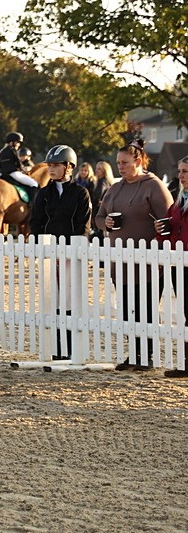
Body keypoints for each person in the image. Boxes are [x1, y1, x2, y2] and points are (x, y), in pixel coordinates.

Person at [95, 139, 173, 371]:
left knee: (146, 309)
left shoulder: (154, 185)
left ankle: (147, 356)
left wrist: (161, 232)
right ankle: (134, 354)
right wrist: (106, 223)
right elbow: (98, 218)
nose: (120, 167)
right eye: (118, 163)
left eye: (125, 163)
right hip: (121, 263)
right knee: (128, 310)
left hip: (148, 262)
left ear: (138, 161)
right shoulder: (115, 188)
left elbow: (168, 219)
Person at [29, 145, 93, 360]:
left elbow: (82, 225)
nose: (51, 169)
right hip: (48, 255)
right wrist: (42, 248)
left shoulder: (80, 193)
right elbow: (36, 222)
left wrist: (69, 251)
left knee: (68, 302)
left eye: (56, 165)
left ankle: (69, 347)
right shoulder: (44, 193)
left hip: (70, 255)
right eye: (50, 165)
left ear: (69, 167)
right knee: (52, 301)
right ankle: (56, 348)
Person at [160, 156, 188, 377]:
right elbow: (172, 228)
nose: (180, 176)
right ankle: (186, 362)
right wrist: (162, 229)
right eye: (179, 171)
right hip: (179, 264)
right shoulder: (177, 202)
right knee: (185, 311)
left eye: (185, 172)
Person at [91, 160, 117, 243]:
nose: (96, 171)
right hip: (106, 210)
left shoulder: (102, 182)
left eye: (99, 169)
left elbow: (97, 196)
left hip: (99, 210)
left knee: (99, 234)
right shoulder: (108, 182)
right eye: (96, 168)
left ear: (104, 171)